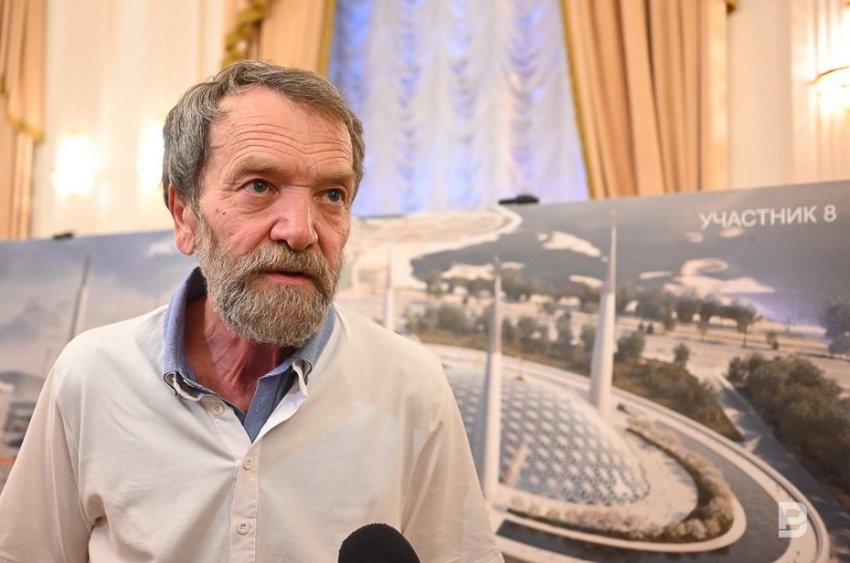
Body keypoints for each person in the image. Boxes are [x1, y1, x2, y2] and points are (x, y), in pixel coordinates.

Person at [0, 60, 502, 562]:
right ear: (184, 215)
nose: (300, 231)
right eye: (260, 185)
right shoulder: (92, 376)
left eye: (332, 195)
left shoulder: (409, 386)